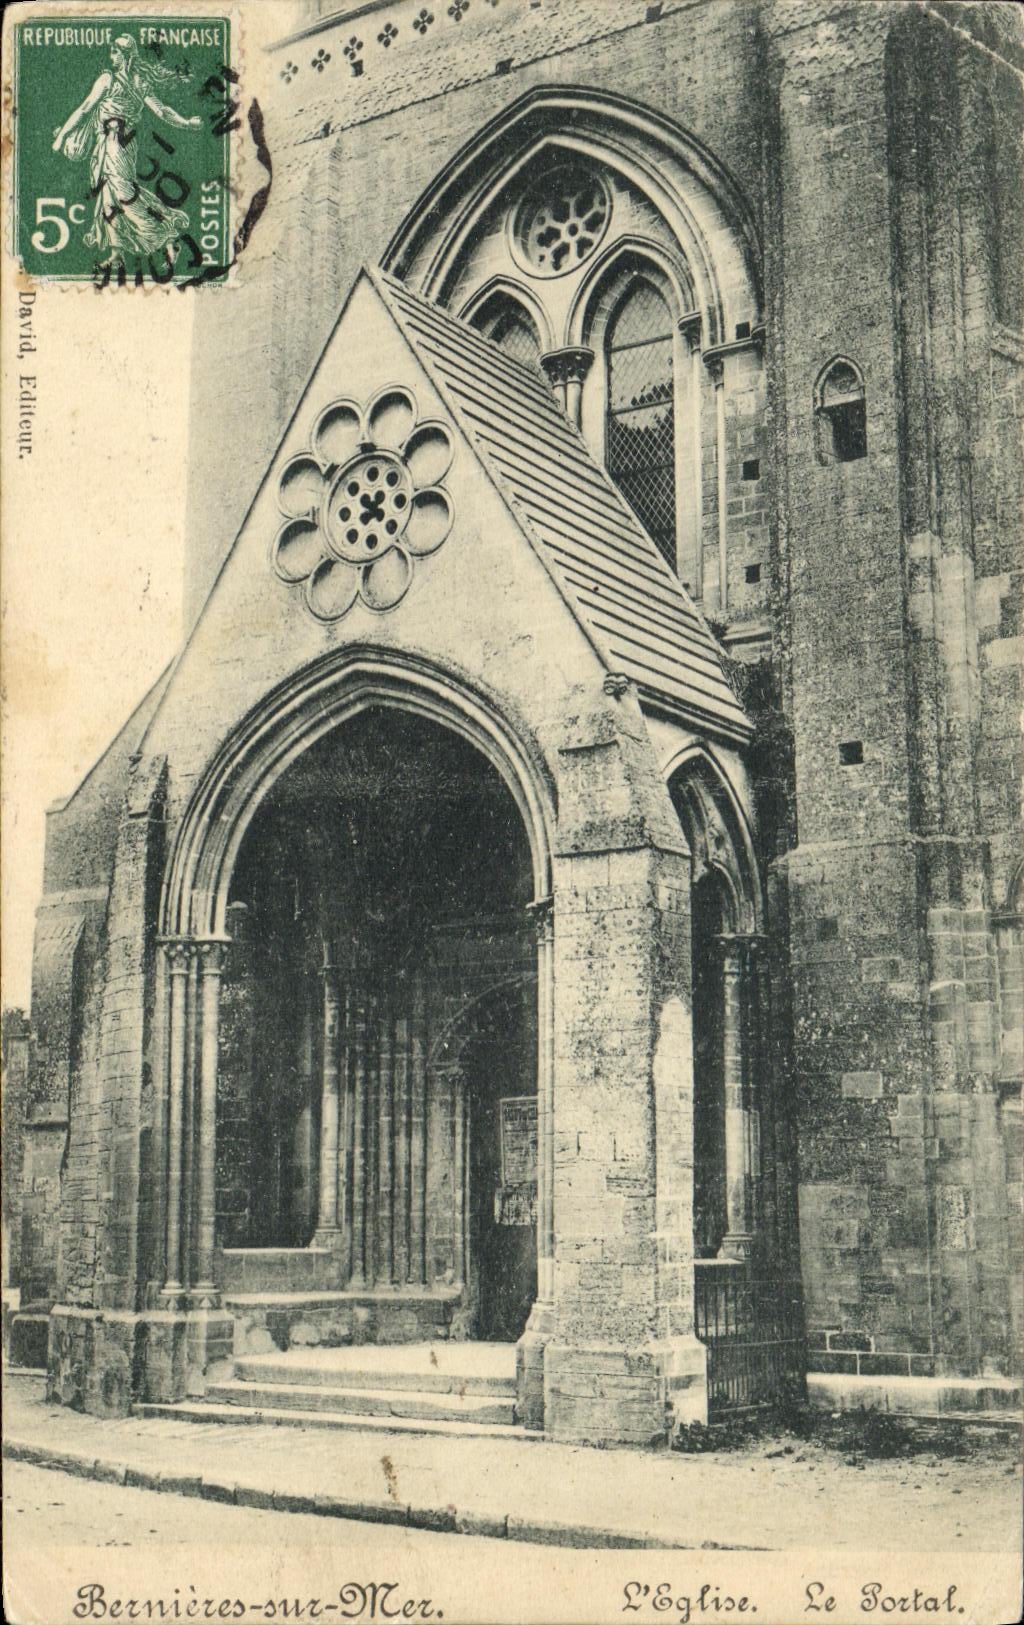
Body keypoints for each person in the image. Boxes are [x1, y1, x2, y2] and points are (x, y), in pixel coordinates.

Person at [52, 34, 203, 267]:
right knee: (108, 194)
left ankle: (167, 236)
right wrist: (187, 123)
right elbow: (85, 109)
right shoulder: (130, 81)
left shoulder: (114, 80)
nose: (111, 56)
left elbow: (161, 111)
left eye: (115, 52)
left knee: (124, 194)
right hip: (109, 143)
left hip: (117, 143)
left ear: (125, 56)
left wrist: (186, 123)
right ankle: (116, 254)